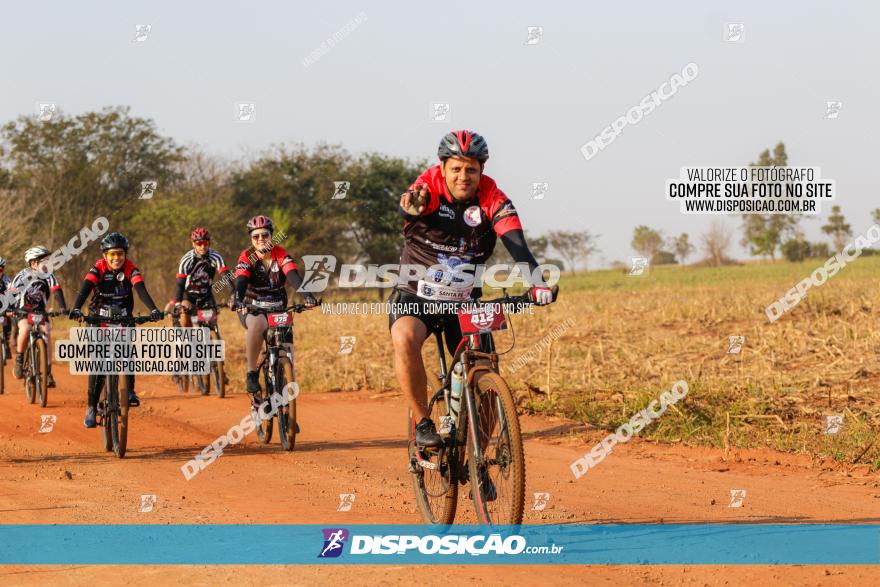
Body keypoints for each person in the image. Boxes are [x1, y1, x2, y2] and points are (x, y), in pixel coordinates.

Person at [389, 130, 555, 450]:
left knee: (487, 374)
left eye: (471, 170)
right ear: (443, 168)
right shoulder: (427, 187)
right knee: (404, 337)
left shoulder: (493, 197)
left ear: (481, 171)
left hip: (465, 300)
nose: (463, 176)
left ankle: (479, 456)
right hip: (415, 296)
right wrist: (411, 209)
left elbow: (516, 242)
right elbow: (409, 206)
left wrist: (536, 281)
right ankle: (423, 423)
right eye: (456, 168)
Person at [68, 232, 163, 428]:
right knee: (98, 363)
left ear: (125, 254)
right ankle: (91, 408)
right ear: (105, 256)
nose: (116, 258)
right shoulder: (98, 268)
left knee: (128, 351)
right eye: (112, 255)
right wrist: (76, 308)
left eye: (120, 254)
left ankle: (129, 391)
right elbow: (85, 288)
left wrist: (153, 309)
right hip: (98, 317)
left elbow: (140, 289)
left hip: (123, 316)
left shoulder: (130, 269)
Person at [230, 215, 316, 410]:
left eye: (265, 235)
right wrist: (237, 299)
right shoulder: (247, 257)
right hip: (251, 306)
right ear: (251, 239)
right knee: (258, 323)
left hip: (277, 307)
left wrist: (307, 296)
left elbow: (293, 276)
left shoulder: (280, 254)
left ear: (271, 236)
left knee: (287, 348)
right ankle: (252, 372)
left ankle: (286, 410)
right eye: (256, 236)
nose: (261, 239)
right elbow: (241, 281)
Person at [10, 246, 68, 386]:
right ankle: (19, 360)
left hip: (40, 311)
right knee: (25, 329)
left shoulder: (48, 275)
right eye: (45, 261)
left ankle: (47, 372)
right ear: (34, 263)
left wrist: (63, 308)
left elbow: (57, 290)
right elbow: (11, 293)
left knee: (47, 332)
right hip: (23, 311)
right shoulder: (22, 276)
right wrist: (9, 309)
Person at [0, 257, 12, 358]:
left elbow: (12, 291)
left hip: (3, 305)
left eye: (0, 269)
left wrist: (12, 308)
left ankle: (7, 342)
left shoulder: (6, 279)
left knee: (8, 316)